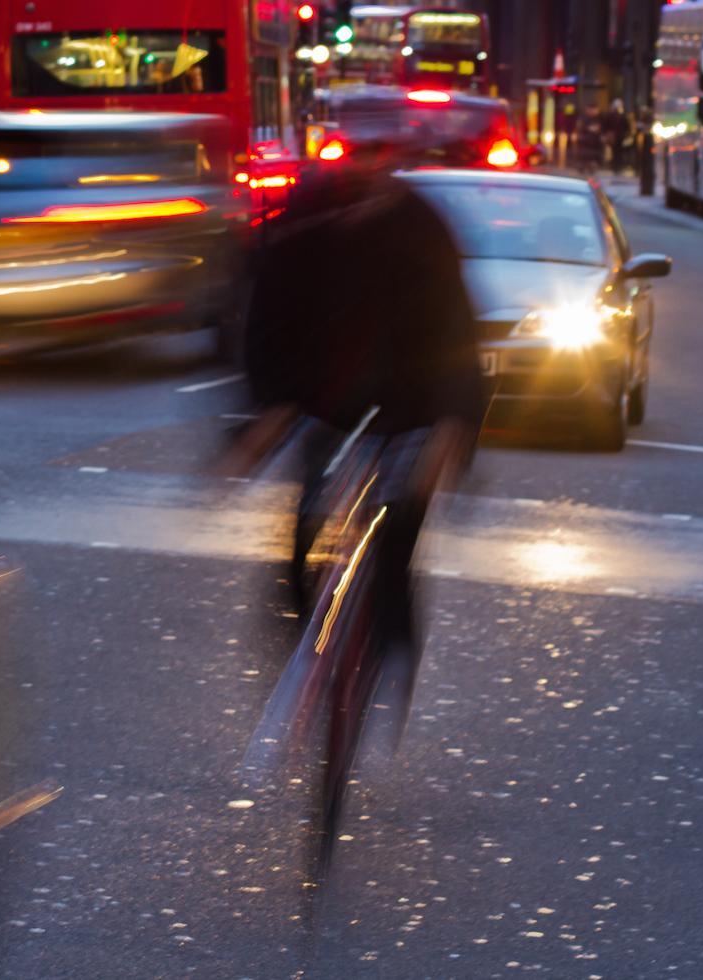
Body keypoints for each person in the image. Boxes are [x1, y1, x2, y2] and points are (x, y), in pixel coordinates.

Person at [240, 137, 487, 881]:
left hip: (412, 402)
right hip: (325, 396)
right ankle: (304, 647)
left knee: (397, 536)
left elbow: (457, 338)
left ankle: (390, 651)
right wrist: (263, 417)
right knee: (299, 534)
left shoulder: (423, 228)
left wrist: (453, 432)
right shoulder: (297, 231)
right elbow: (266, 326)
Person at [603, 99, 631, 174]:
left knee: (616, 152)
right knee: (617, 152)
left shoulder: (618, 115)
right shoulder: (621, 115)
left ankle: (616, 167)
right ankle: (617, 167)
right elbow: (627, 127)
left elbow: (605, 126)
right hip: (617, 136)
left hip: (616, 137)